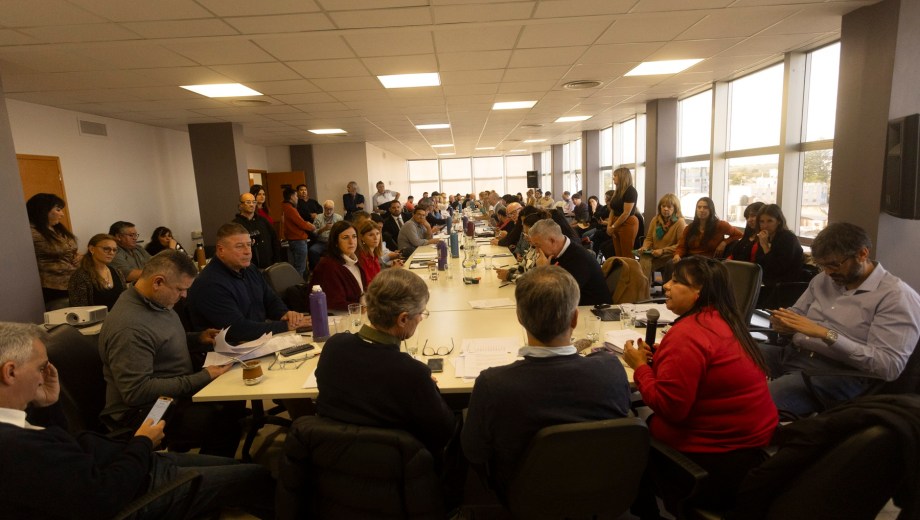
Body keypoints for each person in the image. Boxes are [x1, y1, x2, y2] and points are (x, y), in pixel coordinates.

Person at [0, 322, 275, 519]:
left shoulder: (19, 422)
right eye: (41, 367)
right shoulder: (16, 448)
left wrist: (49, 406)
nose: (44, 376)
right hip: (134, 486)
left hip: (128, 460)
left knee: (241, 468)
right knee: (257, 477)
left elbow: (63, 447)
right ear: (10, 373)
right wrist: (143, 442)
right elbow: (104, 495)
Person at [623, 256, 778, 511]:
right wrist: (664, 356)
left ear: (699, 292)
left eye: (676, 281)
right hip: (752, 451)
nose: (666, 285)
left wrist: (640, 367)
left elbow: (670, 408)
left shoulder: (688, 334)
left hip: (713, 463)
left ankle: (644, 510)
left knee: (628, 429)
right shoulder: (726, 320)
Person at [463, 266, 631, 499]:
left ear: (519, 317)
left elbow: (474, 451)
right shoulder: (612, 369)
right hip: (601, 487)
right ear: (575, 318)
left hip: (525, 494)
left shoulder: (493, 384)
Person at [760, 222, 920, 417]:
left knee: (756, 402)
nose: (827, 272)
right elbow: (798, 313)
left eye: (834, 265)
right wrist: (784, 322)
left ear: (862, 254)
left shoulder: (896, 297)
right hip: (792, 354)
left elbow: (889, 367)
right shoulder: (823, 279)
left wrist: (827, 334)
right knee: (731, 360)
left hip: (835, 373)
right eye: (822, 265)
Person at [99, 250, 244, 457]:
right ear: (158, 282)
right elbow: (136, 391)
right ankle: (204, 471)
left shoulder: (155, 300)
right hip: (145, 409)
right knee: (225, 422)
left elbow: (160, 342)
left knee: (234, 395)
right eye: (180, 289)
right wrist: (203, 376)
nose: (184, 295)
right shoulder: (129, 328)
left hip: (171, 392)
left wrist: (197, 338)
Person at [315, 268, 456, 460]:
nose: (421, 318)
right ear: (403, 319)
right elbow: (444, 432)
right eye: (421, 313)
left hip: (332, 459)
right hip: (397, 467)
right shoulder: (411, 373)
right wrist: (428, 388)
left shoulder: (333, 347)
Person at [187, 223, 310, 344]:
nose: (247, 251)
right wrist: (285, 326)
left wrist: (285, 314)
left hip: (255, 340)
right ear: (221, 250)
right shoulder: (209, 284)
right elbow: (237, 329)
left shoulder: (250, 269)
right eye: (239, 246)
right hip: (228, 349)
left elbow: (270, 300)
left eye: (249, 245)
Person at [527, 219, 611, 306]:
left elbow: (557, 297)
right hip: (572, 307)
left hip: (593, 310)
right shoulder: (553, 254)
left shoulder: (579, 259)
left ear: (552, 241)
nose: (537, 251)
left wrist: (543, 271)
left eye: (538, 246)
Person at [26, 193, 81, 309]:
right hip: (53, 287)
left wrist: (80, 256)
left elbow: (69, 251)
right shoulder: (31, 232)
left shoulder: (58, 228)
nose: (62, 214)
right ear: (43, 210)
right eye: (58, 210)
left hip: (73, 282)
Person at [311, 221, 365, 311]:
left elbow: (362, 292)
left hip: (356, 312)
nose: (351, 242)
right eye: (345, 238)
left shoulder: (355, 262)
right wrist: (362, 308)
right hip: (336, 315)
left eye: (354, 236)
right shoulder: (328, 266)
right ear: (336, 242)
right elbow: (334, 303)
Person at [672, 197, 742, 262]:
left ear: (711, 210)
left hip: (709, 262)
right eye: (699, 207)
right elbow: (682, 246)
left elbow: (739, 234)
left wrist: (724, 242)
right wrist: (677, 255)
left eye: (705, 207)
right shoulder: (690, 227)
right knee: (670, 264)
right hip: (691, 259)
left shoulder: (720, 225)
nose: (701, 210)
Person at [68, 233, 126, 310]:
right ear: (92, 249)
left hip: (120, 315)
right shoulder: (80, 276)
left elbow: (126, 299)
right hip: (96, 317)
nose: (111, 253)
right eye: (106, 249)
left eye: (114, 250)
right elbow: (79, 309)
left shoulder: (117, 272)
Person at [637, 194, 687, 283]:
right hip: (654, 252)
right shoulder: (655, 219)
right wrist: (645, 247)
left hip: (669, 254)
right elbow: (649, 238)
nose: (665, 209)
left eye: (669, 207)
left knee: (647, 264)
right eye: (663, 206)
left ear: (675, 208)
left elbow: (681, 245)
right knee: (643, 258)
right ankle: (648, 285)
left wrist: (663, 250)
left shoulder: (680, 222)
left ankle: (646, 286)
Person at [753, 204, 803, 285]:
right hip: (767, 281)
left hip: (785, 284)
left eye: (770, 221)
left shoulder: (788, 238)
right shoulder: (765, 237)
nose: (765, 226)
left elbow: (778, 269)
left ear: (779, 221)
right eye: (761, 221)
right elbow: (759, 264)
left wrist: (765, 247)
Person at [233, 191, 281, 269]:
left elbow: (274, 240)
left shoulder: (263, 221)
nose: (252, 205)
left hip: (269, 265)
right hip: (248, 268)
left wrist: (277, 261)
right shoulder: (236, 225)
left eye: (254, 202)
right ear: (240, 205)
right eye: (248, 202)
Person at [606, 167, 640, 258]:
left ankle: (630, 268)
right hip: (616, 222)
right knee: (618, 254)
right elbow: (612, 209)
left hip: (627, 222)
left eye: (615, 175)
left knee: (627, 254)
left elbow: (626, 213)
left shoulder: (631, 191)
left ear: (622, 176)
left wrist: (613, 226)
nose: (613, 178)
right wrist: (609, 225)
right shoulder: (617, 191)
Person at [281, 186, 315, 277]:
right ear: (291, 197)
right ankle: (299, 285)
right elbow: (301, 223)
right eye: (296, 196)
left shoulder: (285, 207)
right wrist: (311, 227)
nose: (297, 198)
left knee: (298, 267)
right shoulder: (290, 209)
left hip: (293, 240)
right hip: (298, 240)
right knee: (300, 268)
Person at [309, 200, 344, 270]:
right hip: (321, 242)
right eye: (327, 209)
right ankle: (317, 270)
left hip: (334, 242)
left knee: (340, 251)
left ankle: (338, 270)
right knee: (312, 250)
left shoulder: (339, 218)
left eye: (331, 209)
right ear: (324, 208)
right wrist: (324, 228)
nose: (329, 211)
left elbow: (343, 232)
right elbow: (314, 233)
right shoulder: (318, 217)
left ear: (333, 209)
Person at [357, 219, 384, 287]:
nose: (376, 238)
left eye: (377, 233)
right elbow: (370, 284)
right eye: (371, 235)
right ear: (362, 238)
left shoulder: (374, 254)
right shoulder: (362, 257)